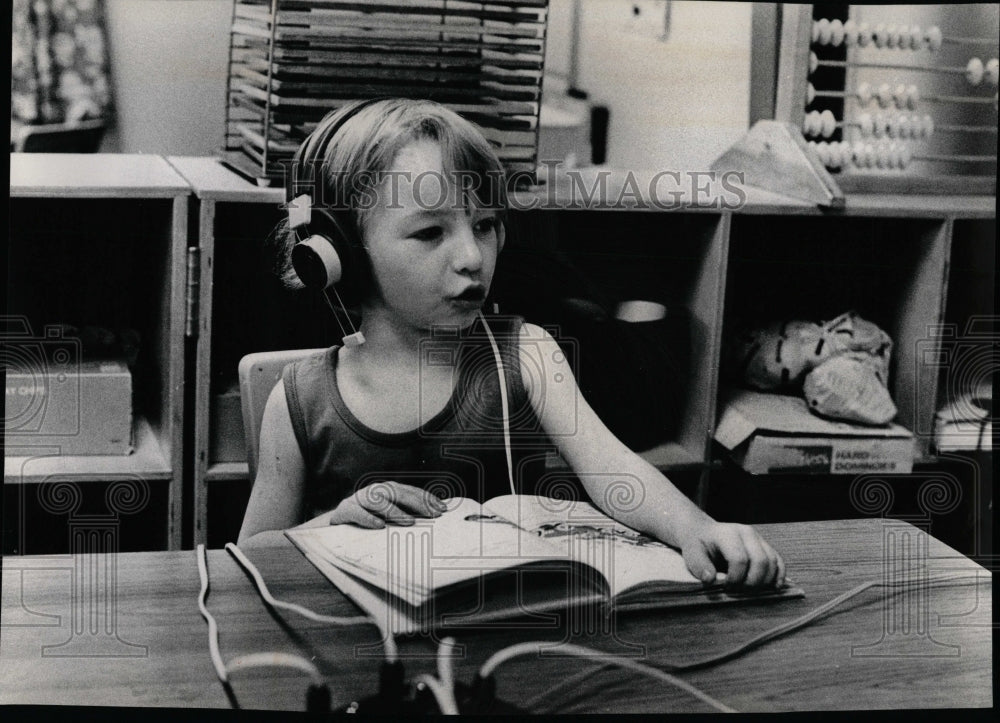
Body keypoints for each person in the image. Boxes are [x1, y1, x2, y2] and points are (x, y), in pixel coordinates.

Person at [238, 98, 785, 590]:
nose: (473, 257)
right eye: (430, 233)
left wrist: (700, 529)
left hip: (502, 641)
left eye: (485, 225)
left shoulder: (526, 353)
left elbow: (616, 473)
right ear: (341, 256)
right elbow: (250, 554)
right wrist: (332, 522)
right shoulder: (297, 400)